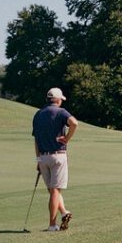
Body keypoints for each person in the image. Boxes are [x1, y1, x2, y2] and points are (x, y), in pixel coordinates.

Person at [32, 87, 78, 231]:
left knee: (53, 191)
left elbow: (36, 140)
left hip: (43, 157)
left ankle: (64, 212)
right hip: (58, 156)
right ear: (57, 100)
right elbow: (74, 123)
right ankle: (52, 225)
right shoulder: (61, 112)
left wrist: (38, 160)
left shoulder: (38, 114)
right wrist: (67, 138)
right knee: (55, 191)